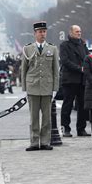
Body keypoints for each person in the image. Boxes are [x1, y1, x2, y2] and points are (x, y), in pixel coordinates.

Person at [21, 21, 59, 151]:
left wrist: (55, 88)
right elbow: (24, 70)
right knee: (34, 118)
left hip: (47, 87)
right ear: (35, 33)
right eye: (40, 32)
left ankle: (44, 142)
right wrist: (24, 88)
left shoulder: (52, 48)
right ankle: (34, 142)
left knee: (47, 118)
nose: (43, 34)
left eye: (44, 31)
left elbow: (56, 70)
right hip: (33, 86)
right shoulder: (27, 48)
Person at [59, 25, 90, 137]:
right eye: (77, 31)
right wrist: (79, 68)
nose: (79, 33)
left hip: (82, 80)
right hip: (70, 79)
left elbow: (88, 58)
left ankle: (81, 129)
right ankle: (65, 128)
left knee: (82, 105)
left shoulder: (83, 45)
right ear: (71, 33)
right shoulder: (64, 45)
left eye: (80, 31)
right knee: (68, 104)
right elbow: (65, 61)